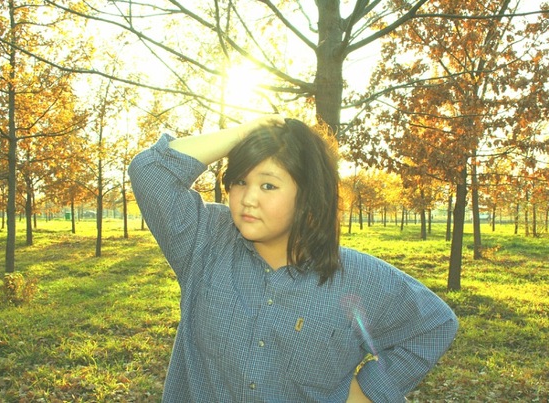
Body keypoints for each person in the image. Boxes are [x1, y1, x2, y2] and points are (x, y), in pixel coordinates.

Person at [128, 115, 458, 402]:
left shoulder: (358, 278)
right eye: (240, 181)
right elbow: (150, 170)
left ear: (309, 196)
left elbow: (434, 326)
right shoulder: (205, 241)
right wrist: (242, 134)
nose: (248, 198)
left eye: (268, 185)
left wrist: (368, 391)